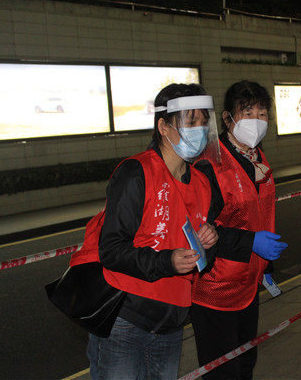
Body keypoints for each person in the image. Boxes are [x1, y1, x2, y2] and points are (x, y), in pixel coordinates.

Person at [70, 83, 222, 379]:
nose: (200, 130)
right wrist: (167, 261)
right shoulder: (136, 173)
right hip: (125, 320)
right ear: (164, 127)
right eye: (191, 122)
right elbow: (112, 250)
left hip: (172, 322)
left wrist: (209, 242)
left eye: (204, 122)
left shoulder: (202, 183)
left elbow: (202, 256)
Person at [191, 80, 288, 380]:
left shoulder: (256, 156)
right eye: (247, 113)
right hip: (216, 289)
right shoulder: (210, 163)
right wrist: (251, 242)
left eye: (262, 114)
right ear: (228, 118)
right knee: (223, 371)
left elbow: (259, 214)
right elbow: (200, 230)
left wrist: (265, 265)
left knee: (245, 363)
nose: (256, 121)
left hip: (248, 282)